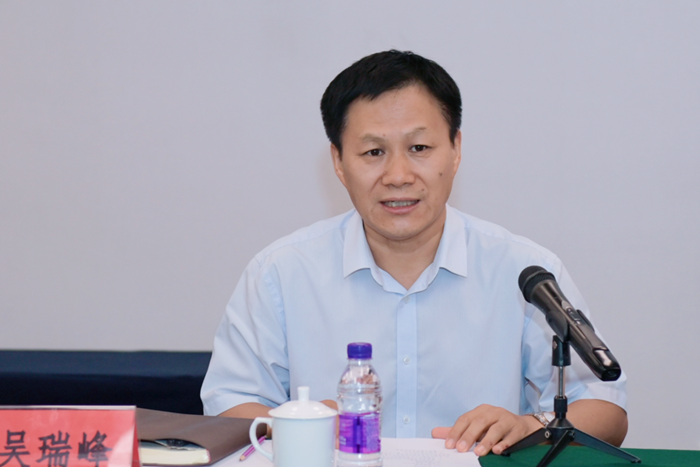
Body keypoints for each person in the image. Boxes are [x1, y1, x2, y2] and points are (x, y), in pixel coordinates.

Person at [200, 50, 628, 456]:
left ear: (456, 150)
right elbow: (229, 405)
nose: (398, 175)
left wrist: (531, 425)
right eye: (373, 152)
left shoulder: (524, 270)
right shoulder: (281, 272)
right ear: (338, 162)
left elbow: (606, 408)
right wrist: (299, 424)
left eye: (419, 148)